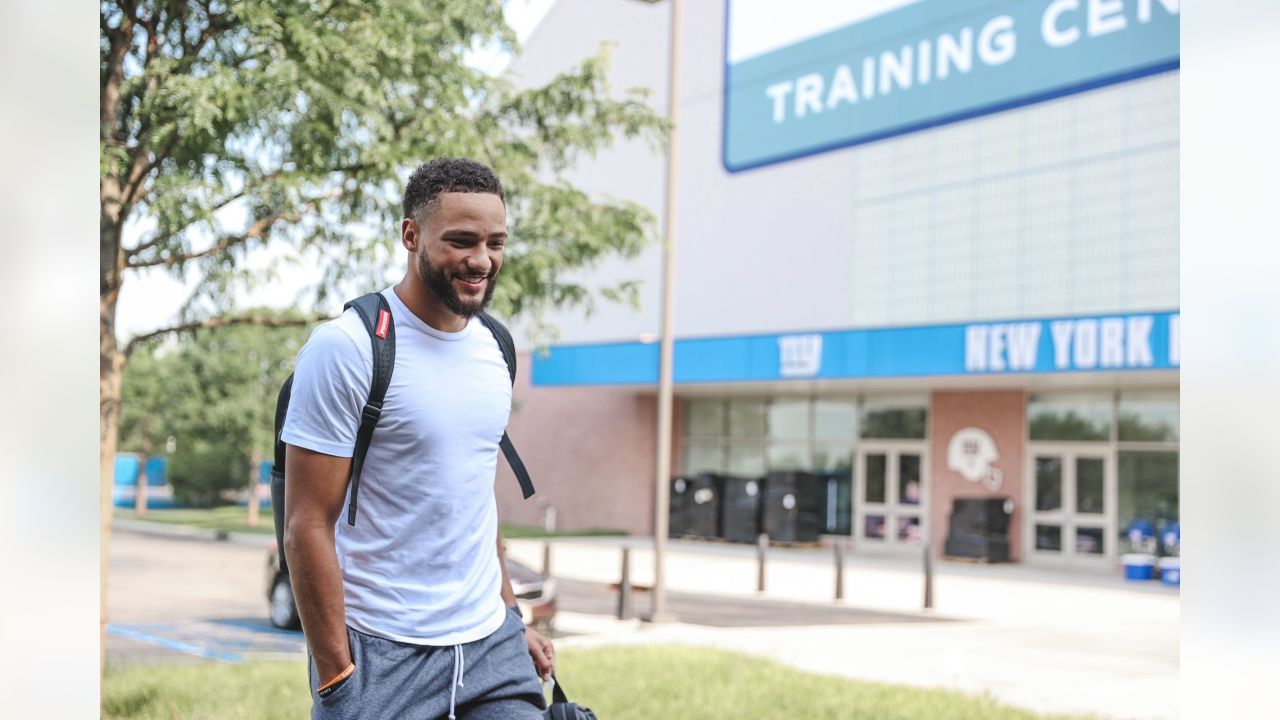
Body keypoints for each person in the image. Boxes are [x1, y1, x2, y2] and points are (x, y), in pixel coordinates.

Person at [281, 157, 554, 719]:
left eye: (494, 242)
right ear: (411, 234)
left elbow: (474, 500)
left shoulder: (495, 348)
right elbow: (306, 524)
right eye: (461, 240)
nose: (481, 260)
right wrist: (337, 672)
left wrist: (510, 617)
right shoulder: (348, 349)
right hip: (382, 654)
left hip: (490, 648)